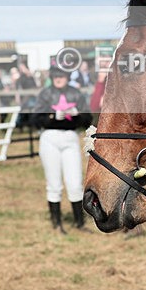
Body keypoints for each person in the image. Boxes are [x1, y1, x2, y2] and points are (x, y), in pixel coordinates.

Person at [32, 63, 93, 233]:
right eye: (56, 76)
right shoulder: (45, 94)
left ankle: (80, 223)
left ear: (67, 77)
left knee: (75, 182)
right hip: (50, 137)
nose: (58, 79)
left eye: (62, 76)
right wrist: (52, 117)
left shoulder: (76, 93)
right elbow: (35, 119)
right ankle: (57, 223)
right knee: (54, 183)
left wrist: (77, 115)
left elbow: (87, 119)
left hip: (70, 137)